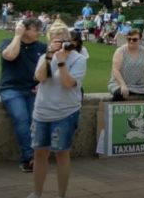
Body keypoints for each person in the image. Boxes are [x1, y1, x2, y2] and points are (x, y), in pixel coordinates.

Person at [30, 28, 86, 198]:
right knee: (39, 153)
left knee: (62, 154)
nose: (59, 44)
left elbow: (68, 83)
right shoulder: (45, 57)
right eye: (55, 40)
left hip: (65, 113)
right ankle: (37, 193)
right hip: (42, 111)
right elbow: (39, 78)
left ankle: (61, 195)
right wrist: (49, 57)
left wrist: (61, 62)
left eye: (63, 40)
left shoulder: (79, 59)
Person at [0, 18, 47, 172]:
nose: (39, 32)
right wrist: (17, 36)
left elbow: (48, 70)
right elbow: (10, 56)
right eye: (35, 29)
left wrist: (42, 83)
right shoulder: (8, 42)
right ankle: (29, 157)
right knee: (21, 118)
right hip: (12, 89)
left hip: (33, 90)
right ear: (24, 29)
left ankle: (35, 157)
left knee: (36, 121)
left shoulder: (42, 47)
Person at [107, 28, 144, 101]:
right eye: (129, 39)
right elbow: (115, 70)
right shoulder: (120, 51)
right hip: (119, 83)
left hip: (141, 85)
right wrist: (122, 85)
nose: (131, 41)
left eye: (134, 39)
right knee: (119, 94)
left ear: (140, 40)